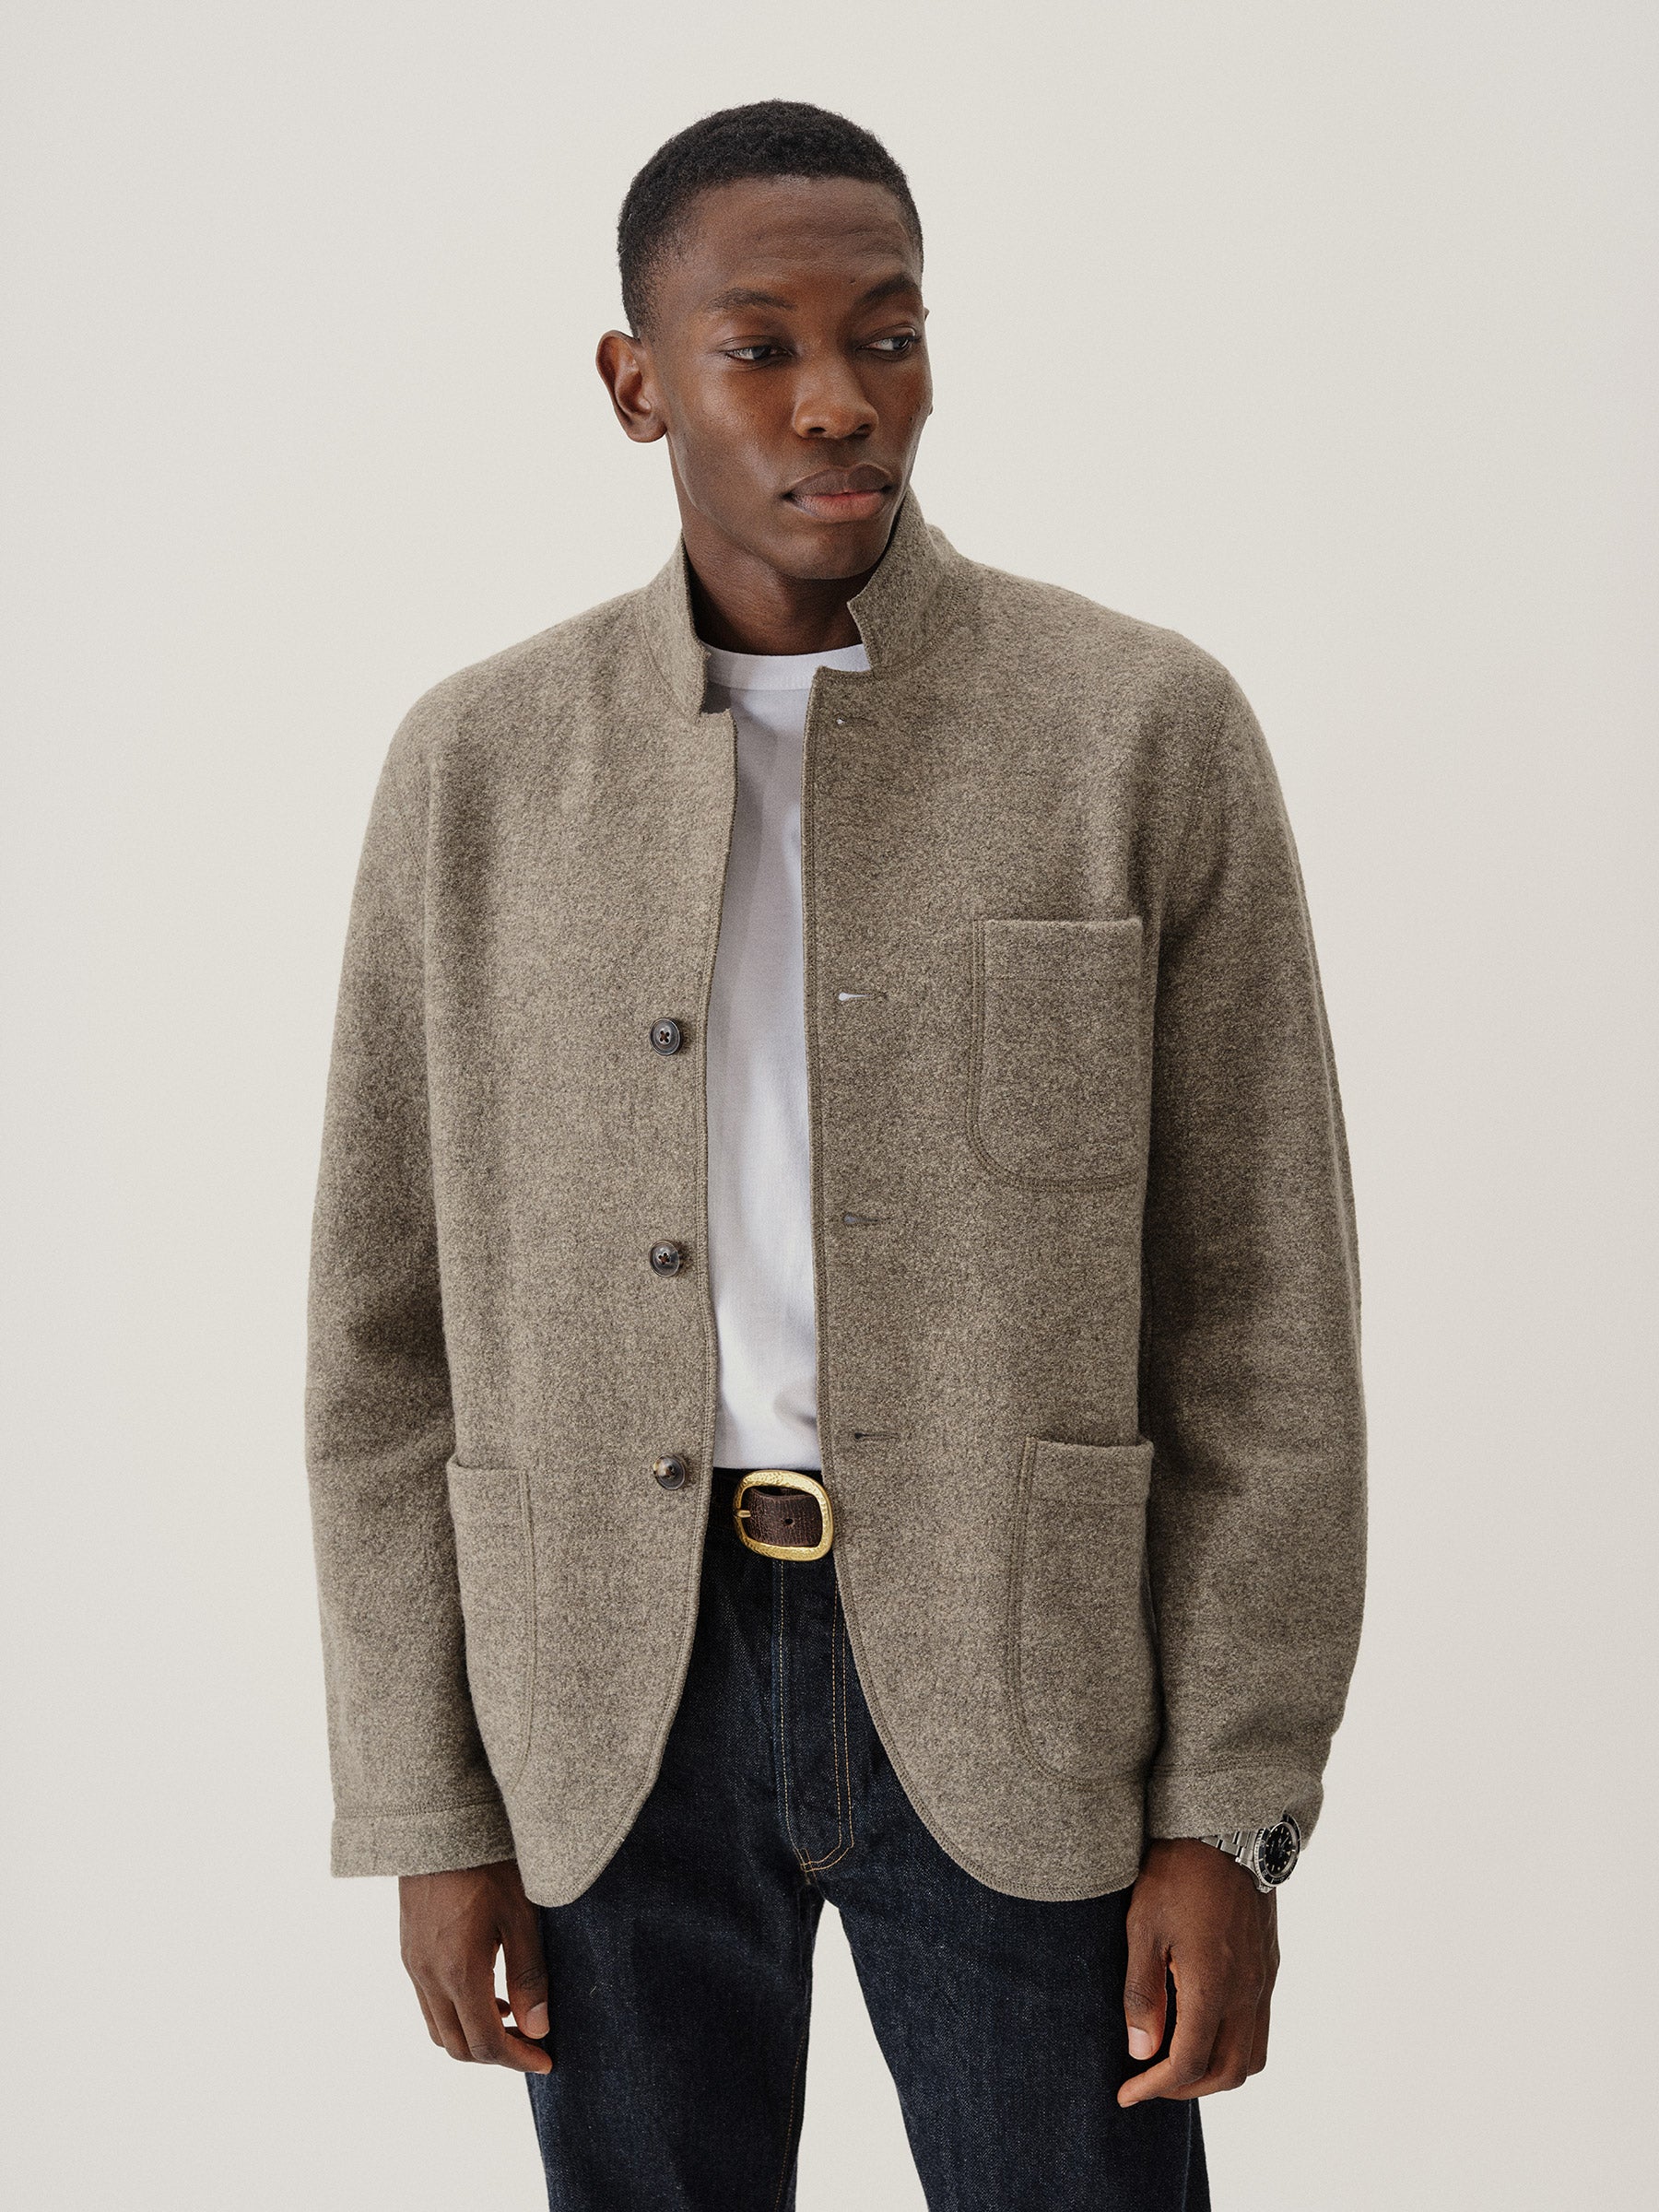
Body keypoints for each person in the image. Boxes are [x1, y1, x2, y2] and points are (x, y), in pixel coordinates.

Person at [304, 100, 1366, 2212]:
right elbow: (378, 1338)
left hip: (1030, 1682)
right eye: (760, 347)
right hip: (609, 1701)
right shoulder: (477, 775)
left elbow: (1263, 1316)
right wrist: (427, 1800)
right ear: (636, 384)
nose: (836, 402)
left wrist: (1229, 1810)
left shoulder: (1137, 733)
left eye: (886, 337)